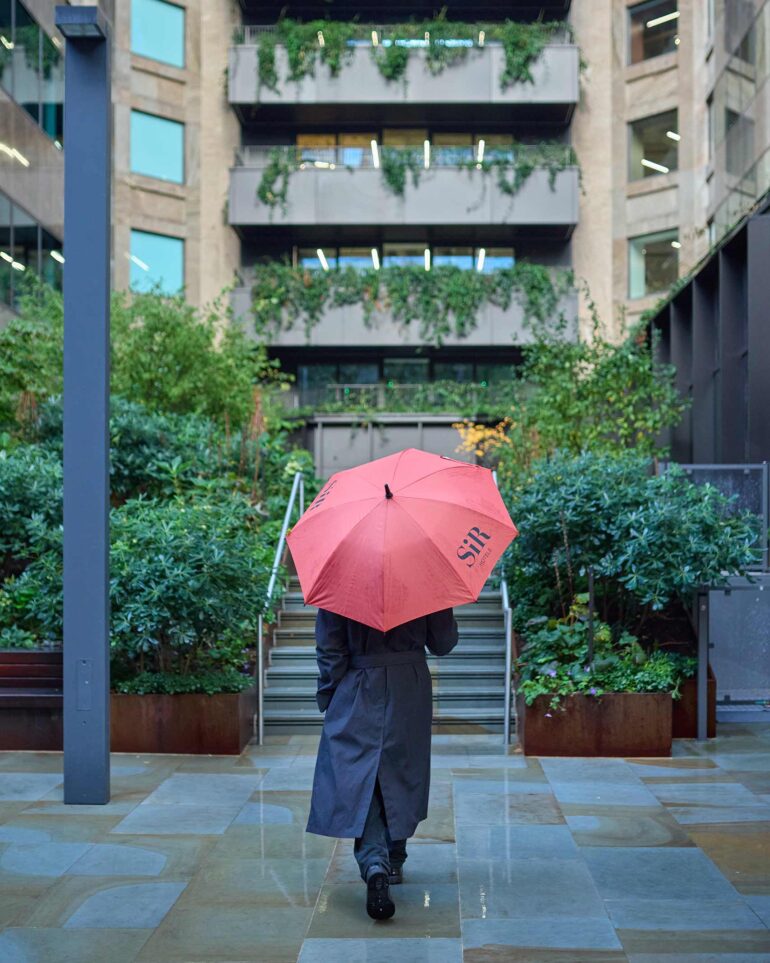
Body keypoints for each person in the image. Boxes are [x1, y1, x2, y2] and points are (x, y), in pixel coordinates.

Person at [306, 606, 459, 920]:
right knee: (402, 769)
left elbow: (330, 648)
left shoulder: (343, 583)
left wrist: (329, 692)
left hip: (358, 683)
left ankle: (375, 863)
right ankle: (394, 857)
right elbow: (443, 643)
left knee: (364, 775)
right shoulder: (424, 581)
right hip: (409, 686)